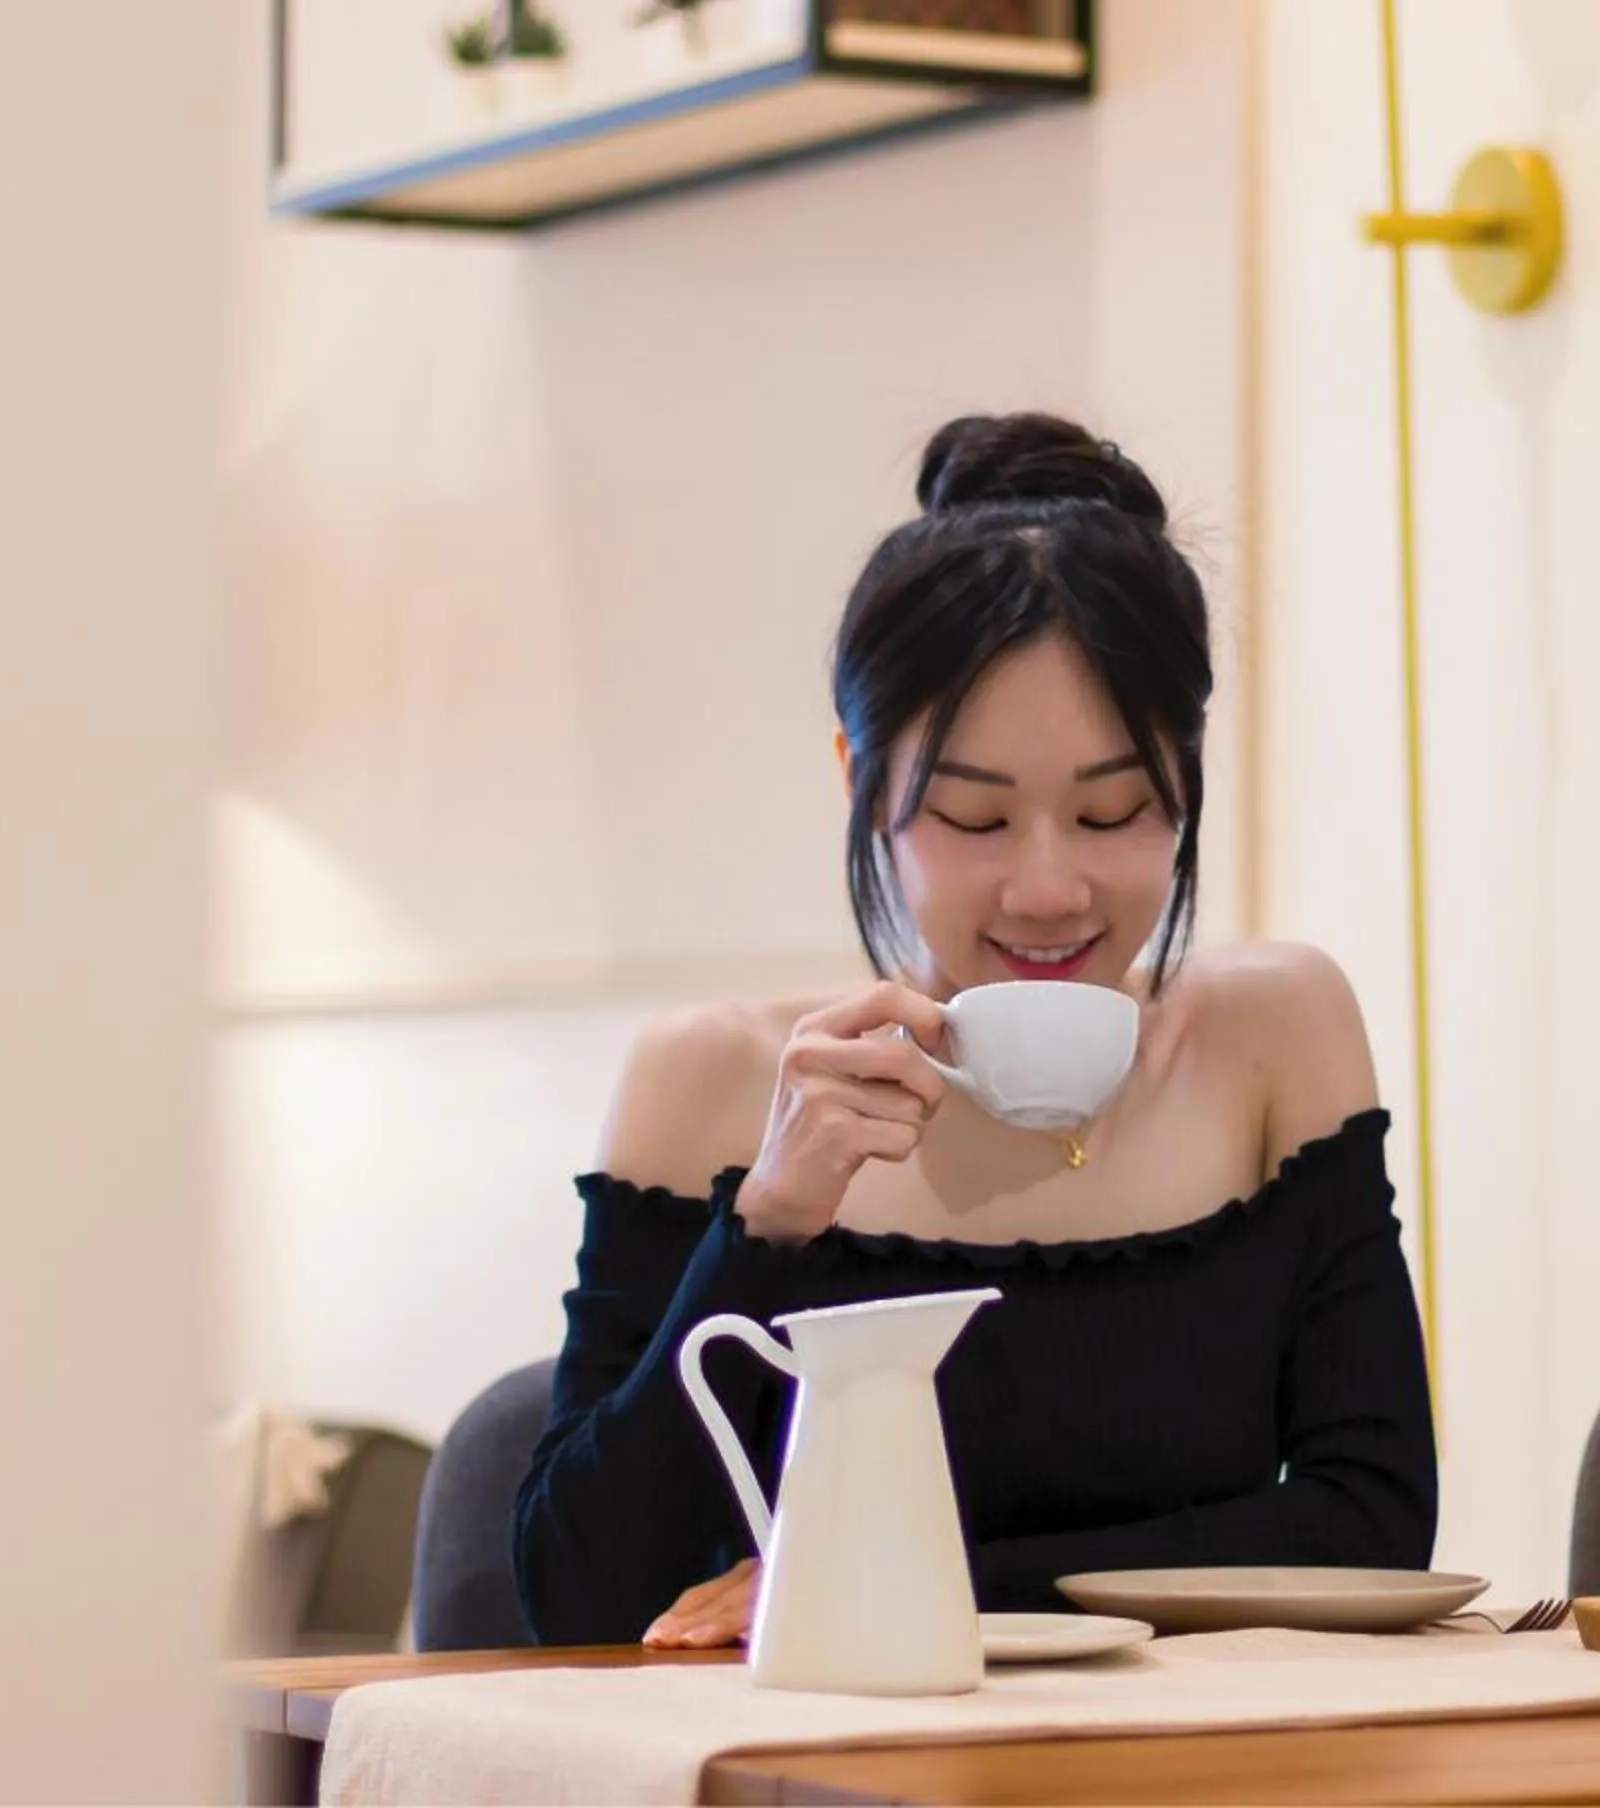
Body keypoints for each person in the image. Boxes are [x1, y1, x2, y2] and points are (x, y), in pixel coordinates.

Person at [511, 413, 1437, 1648]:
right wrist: (771, 1217)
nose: (1049, 888)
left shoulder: (1276, 1035)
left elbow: (1368, 1523)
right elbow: (573, 1593)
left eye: (1114, 812)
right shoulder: (716, 1077)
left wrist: (922, 1579)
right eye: (974, 818)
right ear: (862, 781)